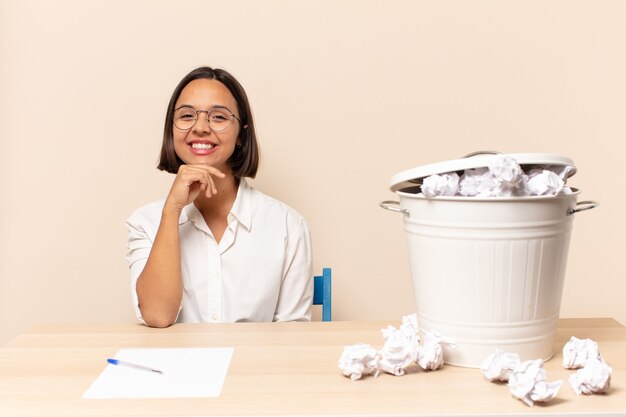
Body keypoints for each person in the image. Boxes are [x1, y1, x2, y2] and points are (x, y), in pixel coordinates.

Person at [125, 67, 313, 328]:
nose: (200, 128)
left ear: (241, 134)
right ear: (172, 129)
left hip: (255, 368)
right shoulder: (144, 221)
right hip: (175, 368)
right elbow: (158, 316)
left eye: (218, 117)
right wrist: (172, 210)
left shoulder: (287, 225)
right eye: (187, 115)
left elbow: (294, 335)